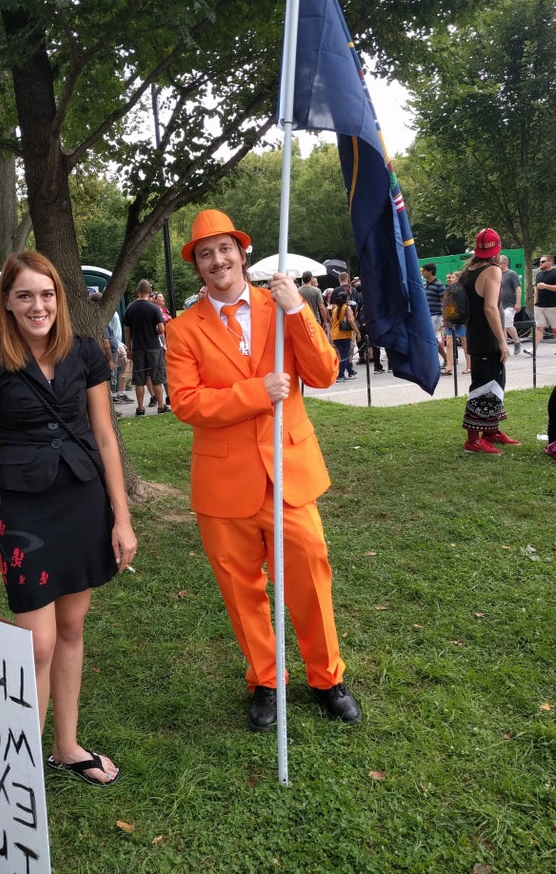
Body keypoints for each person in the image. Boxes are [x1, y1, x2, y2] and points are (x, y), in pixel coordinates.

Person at [165, 209, 361, 732]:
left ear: (241, 252)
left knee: (310, 573)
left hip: (288, 474)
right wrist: (258, 393)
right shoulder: (183, 330)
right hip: (224, 484)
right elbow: (185, 402)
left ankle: (327, 678)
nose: (217, 260)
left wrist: (298, 311)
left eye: (224, 249)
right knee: (241, 588)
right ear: (197, 266)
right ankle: (265, 680)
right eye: (205, 254)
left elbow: (322, 373)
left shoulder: (280, 307)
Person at [0, 250, 137, 786]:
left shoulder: (86, 352)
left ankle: (65, 745)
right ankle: (22, 771)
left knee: (72, 628)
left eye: (47, 294)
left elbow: (105, 437)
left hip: (83, 503)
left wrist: (121, 518)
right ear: (7, 303)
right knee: (35, 644)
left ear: (59, 296)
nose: (39, 306)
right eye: (26, 296)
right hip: (27, 512)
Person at [460, 229, 520, 455]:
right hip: (488, 338)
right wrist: (502, 341)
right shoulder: (493, 270)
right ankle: (473, 440)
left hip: (476, 335)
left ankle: (491, 431)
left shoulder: (468, 271)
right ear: (497, 249)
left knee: (494, 383)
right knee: (484, 387)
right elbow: (490, 308)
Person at [123, 279, 170, 416]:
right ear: (150, 292)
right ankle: (161, 406)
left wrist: (129, 347)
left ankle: (140, 408)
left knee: (139, 379)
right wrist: (155, 331)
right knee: (157, 378)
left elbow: (127, 329)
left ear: (138, 291)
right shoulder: (154, 308)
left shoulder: (130, 308)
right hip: (154, 347)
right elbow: (161, 329)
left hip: (137, 347)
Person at [523, 254, 556, 356]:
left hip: (552, 305)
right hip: (540, 306)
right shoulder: (539, 275)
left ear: (550, 262)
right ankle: (533, 349)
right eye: (540, 262)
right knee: (539, 327)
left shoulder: (555, 272)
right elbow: (537, 289)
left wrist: (545, 286)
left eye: (543, 261)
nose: (540, 264)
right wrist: (535, 303)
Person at [422, 263, 448, 372]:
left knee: (430, 339)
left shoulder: (439, 285)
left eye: (424, 270)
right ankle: (446, 358)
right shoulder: (424, 285)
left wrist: (446, 318)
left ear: (430, 271)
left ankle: (432, 363)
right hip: (427, 316)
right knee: (432, 339)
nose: (422, 273)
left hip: (436, 315)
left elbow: (445, 302)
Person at [443, 271, 471, 375]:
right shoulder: (454, 288)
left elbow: (448, 304)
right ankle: (449, 367)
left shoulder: (457, 289)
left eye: (453, 277)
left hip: (457, 318)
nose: (450, 279)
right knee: (450, 343)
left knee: (464, 342)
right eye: (449, 277)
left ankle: (469, 365)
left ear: (458, 278)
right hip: (453, 318)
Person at [331, 294, 361, 382]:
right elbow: (351, 321)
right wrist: (357, 332)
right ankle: (340, 375)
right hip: (344, 334)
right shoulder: (347, 308)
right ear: (346, 299)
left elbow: (332, 321)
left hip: (335, 333)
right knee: (344, 355)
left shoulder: (335, 309)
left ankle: (350, 371)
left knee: (343, 354)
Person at [498, 256, 522, 355]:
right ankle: (505, 347)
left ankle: (516, 341)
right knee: (502, 326)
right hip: (500, 304)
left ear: (504, 264)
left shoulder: (511, 274)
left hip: (509, 303)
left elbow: (518, 288)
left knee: (507, 324)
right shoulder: (498, 274)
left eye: (499, 263)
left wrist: (518, 302)